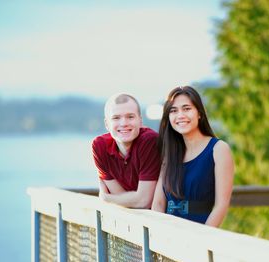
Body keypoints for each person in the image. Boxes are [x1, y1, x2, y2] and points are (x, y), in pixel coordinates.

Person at [152, 86, 234, 227]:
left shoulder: (219, 149)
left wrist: (202, 240)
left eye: (187, 108)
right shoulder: (170, 154)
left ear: (199, 113)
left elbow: (221, 205)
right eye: (173, 111)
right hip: (166, 234)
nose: (180, 115)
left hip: (200, 233)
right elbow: (158, 204)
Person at [92, 93, 161, 208]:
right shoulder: (99, 146)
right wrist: (130, 199)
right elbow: (121, 196)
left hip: (161, 218)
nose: (124, 123)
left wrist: (106, 198)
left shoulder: (149, 141)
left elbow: (144, 202)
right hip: (128, 218)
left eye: (130, 117)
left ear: (140, 121)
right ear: (107, 124)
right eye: (116, 118)